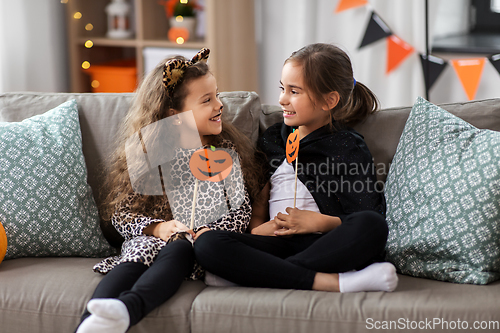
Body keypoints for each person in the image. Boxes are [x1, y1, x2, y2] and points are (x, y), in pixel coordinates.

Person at [75, 48, 262, 333]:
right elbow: (122, 215)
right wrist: (157, 228)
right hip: (152, 239)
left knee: (180, 249)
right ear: (175, 115)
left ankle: (127, 309)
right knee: (139, 253)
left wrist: (207, 232)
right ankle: (91, 324)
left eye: (217, 95)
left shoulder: (223, 152)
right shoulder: (148, 152)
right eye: (207, 100)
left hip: (194, 247)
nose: (219, 105)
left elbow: (240, 212)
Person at [194, 43, 398, 293]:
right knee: (206, 242)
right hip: (276, 243)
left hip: (324, 244)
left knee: (373, 226)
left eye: (294, 91)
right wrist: (260, 230)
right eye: (282, 89)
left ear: (329, 100)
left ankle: (257, 274)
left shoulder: (347, 146)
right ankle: (330, 282)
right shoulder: (273, 139)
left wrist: (318, 223)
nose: (282, 99)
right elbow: (259, 201)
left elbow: (367, 212)